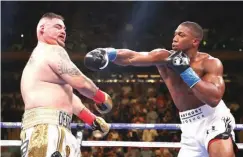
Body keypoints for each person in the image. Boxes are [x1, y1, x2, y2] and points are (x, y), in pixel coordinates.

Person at [84, 21, 238, 157]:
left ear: (195, 41)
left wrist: (185, 71)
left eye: (181, 35)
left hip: (214, 120)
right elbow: (132, 57)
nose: (175, 38)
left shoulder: (210, 63)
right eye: (175, 34)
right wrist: (108, 53)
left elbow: (214, 99)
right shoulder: (164, 58)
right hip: (189, 126)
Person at [20, 12, 113, 157]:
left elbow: (67, 95)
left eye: (64, 29)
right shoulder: (51, 50)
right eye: (57, 27)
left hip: (56, 128)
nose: (63, 31)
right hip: (46, 130)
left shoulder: (41, 59)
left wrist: (92, 120)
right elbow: (80, 83)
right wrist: (101, 98)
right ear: (42, 29)